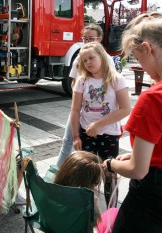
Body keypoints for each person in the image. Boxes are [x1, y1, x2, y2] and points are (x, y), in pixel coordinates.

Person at [102, 12, 162, 233]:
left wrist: (111, 164)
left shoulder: (153, 97)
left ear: (147, 49)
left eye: (138, 57)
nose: (141, 66)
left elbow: (137, 170)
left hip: (152, 198)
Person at [70, 42, 130, 208]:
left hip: (109, 134)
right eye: (84, 60)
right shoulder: (82, 81)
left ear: (102, 56)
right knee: (85, 173)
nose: (88, 62)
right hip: (85, 134)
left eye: (91, 58)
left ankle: (111, 210)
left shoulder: (116, 79)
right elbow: (75, 110)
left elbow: (125, 109)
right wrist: (75, 135)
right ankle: (85, 209)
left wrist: (98, 124)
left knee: (109, 174)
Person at [56, 24, 116, 167]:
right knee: (68, 141)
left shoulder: (107, 59)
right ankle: (58, 172)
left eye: (91, 38)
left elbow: (112, 90)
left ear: (100, 39)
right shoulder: (79, 58)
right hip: (81, 110)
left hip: (101, 118)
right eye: (84, 39)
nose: (87, 42)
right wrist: (79, 98)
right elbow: (73, 82)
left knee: (103, 160)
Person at [54, 151, 118, 233]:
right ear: (93, 182)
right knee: (114, 212)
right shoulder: (87, 202)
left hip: (56, 228)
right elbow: (95, 222)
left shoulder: (50, 190)